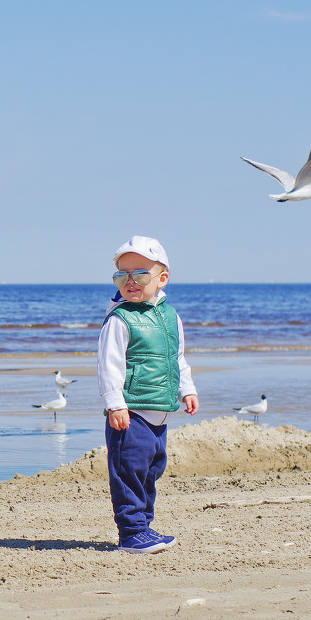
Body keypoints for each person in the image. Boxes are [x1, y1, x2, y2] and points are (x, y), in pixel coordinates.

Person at [96, 236, 199, 554]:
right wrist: (115, 404)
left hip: (160, 410)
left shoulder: (171, 318)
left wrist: (187, 389)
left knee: (151, 469)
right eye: (121, 275)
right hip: (132, 410)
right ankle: (131, 532)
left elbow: (176, 358)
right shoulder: (120, 319)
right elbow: (109, 365)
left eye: (140, 274)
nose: (130, 282)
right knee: (129, 469)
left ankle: (144, 527)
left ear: (162, 278)